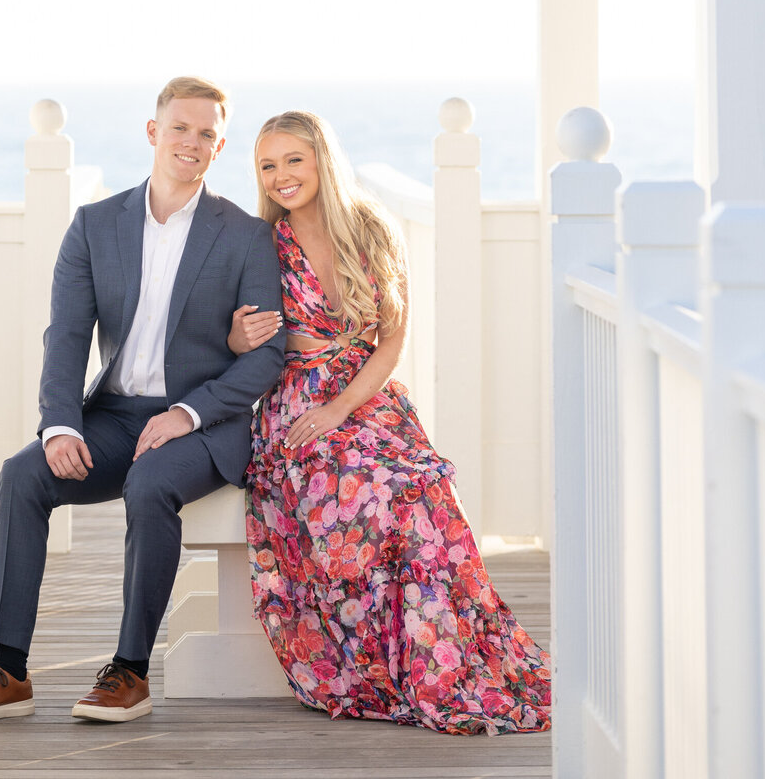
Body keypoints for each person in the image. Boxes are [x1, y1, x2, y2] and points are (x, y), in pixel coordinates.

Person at [232, 109, 551, 735]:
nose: (280, 176)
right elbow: (231, 339)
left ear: (322, 158)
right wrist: (238, 339)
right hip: (294, 405)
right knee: (377, 496)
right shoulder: (257, 242)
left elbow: (390, 340)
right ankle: (381, 665)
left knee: (425, 491)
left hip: (363, 394)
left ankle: (441, 663)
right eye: (267, 165)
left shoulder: (373, 228)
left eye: (293, 160)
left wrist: (341, 408)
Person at [0, 77, 286, 724]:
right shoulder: (96, 225)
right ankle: (7, 667)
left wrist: (188, 413)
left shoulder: (244, 236)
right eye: (180, 127)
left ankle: (130, 670)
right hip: (116, 415)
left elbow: (268, 352)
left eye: (206, 133)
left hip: (205, 422)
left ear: (220, 145)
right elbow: (66, 335)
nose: (192, 141)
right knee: (22, 475)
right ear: (154, 131)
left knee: (151, 484)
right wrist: (61, 424)